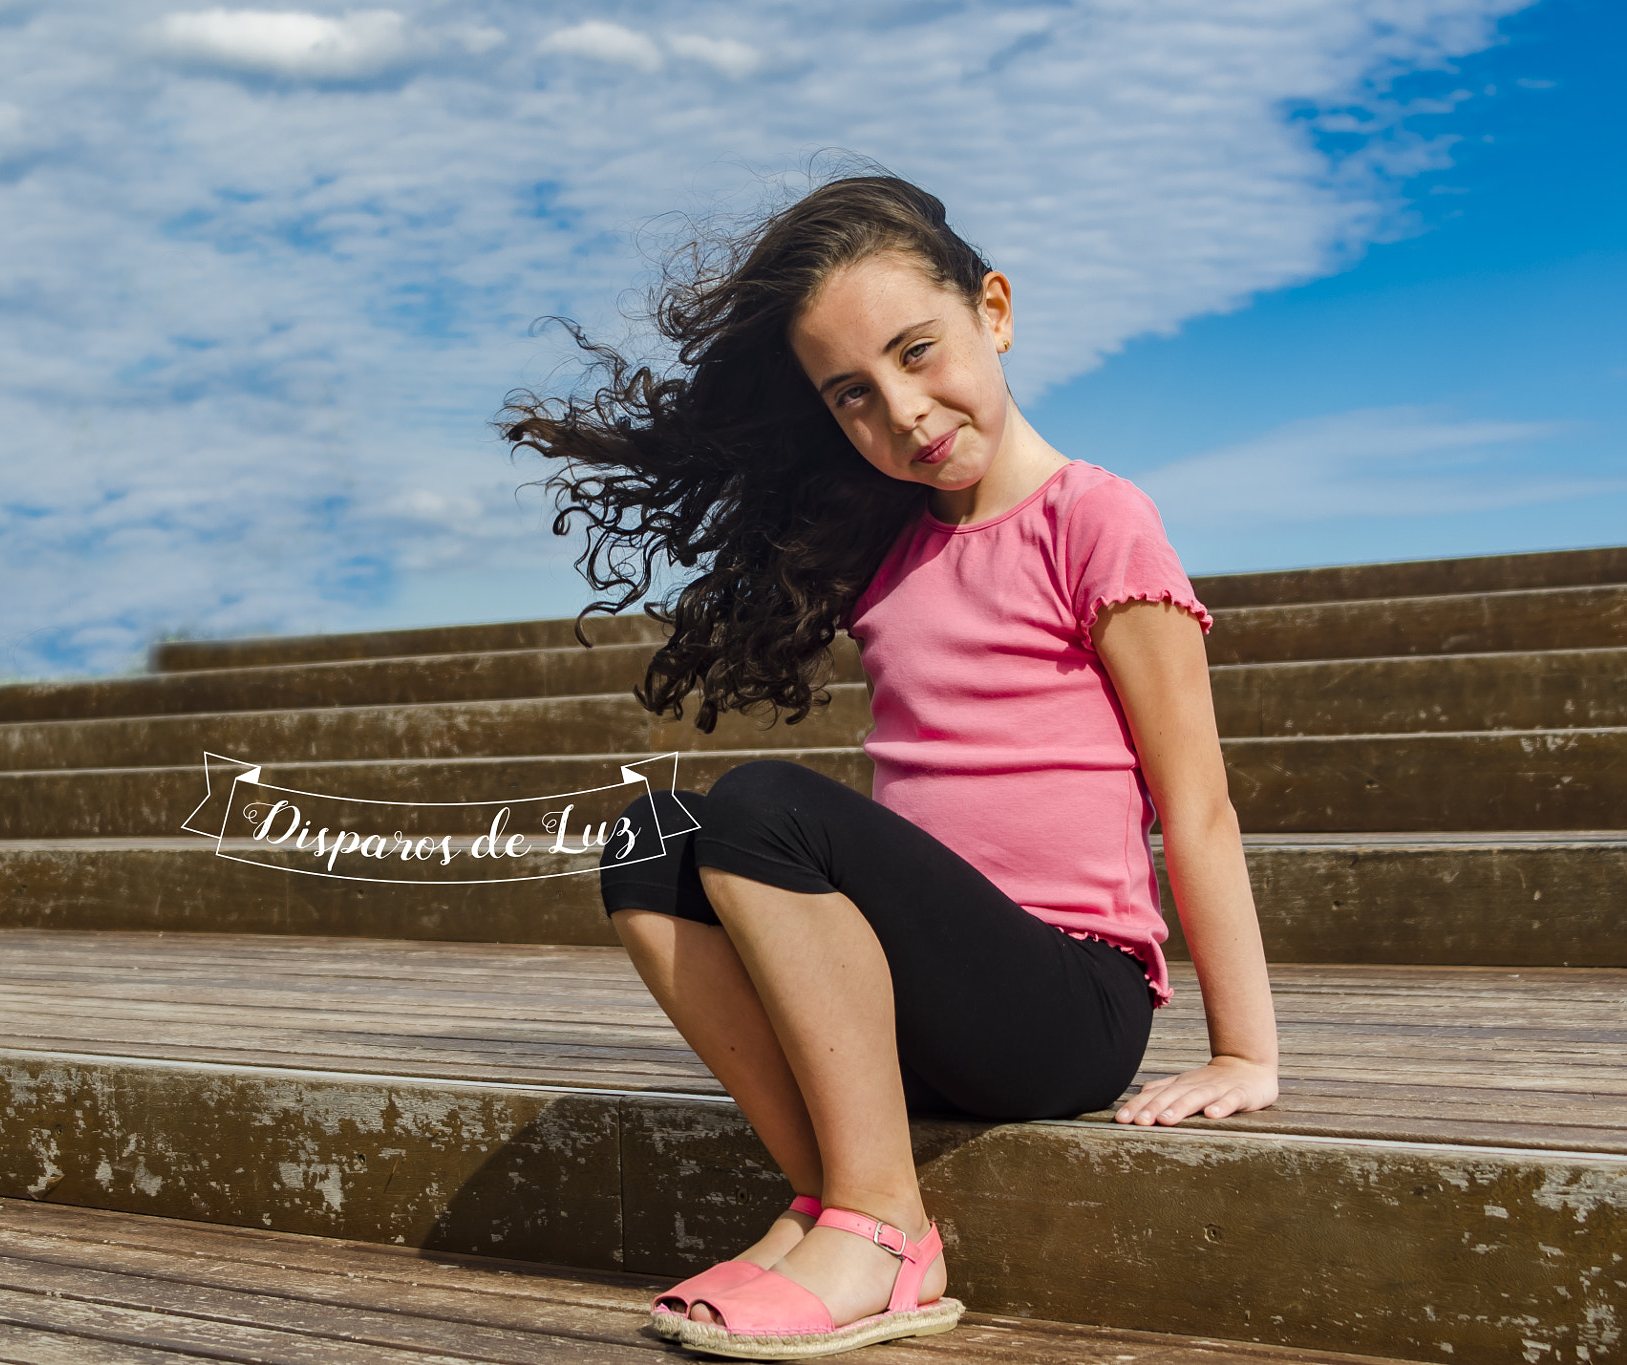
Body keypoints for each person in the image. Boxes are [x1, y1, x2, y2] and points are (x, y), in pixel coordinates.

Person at [501, 174, 1279, 1361]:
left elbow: (1197, 804)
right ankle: (824, 1196)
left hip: (1062, 1004)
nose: (903, 411)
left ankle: (884, 1231)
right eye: (853, 396)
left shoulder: (1097, 519)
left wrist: (1242, 1053)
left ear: (996, 312)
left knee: (764, 805)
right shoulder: (887, 547)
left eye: (919, 353)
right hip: (917, 1003)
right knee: (649, 838)